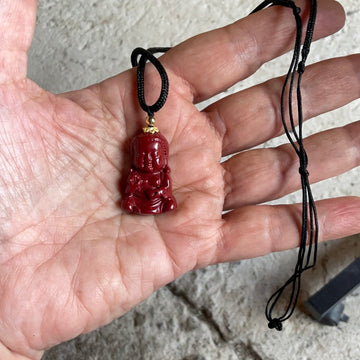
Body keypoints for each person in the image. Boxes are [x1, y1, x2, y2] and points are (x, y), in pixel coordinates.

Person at [0, 0, 359, 359]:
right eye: (150, 153)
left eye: (157, 153)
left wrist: (159, 180)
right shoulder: (141, 151)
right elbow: (138, 177)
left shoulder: (158, 156)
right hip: (142, 184)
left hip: (154, 185)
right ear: (143, 152)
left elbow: (162, 174)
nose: (153, 155)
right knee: (140, 194)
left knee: (160, 195)